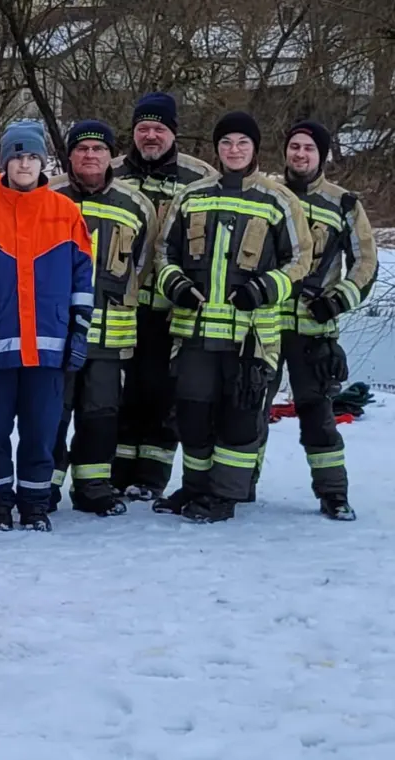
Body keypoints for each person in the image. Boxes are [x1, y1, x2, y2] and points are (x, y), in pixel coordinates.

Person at [152, 112, 312, 522]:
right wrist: (176, 285)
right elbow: (163, 253)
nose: (234, 150)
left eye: (242, 142)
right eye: (226, 143)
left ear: (255, 148)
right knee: (192, 414)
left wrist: (264, 288)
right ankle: (194, 486)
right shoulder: (192, 195)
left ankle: (226, 495)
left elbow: (300, 259)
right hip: (194, 332)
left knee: (238, 417)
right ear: (217, 148)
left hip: (250, 336)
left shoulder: (279, 199)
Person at [0, 120, 93, 532]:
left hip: (48, 349)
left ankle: (34, 506)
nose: (25, 163)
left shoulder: (66, 213)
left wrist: (79, 331)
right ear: (5, 162)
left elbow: (83, 281)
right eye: (17, 156)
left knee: (40, 434)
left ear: (43, 161)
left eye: (32, 155)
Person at [112, 92, 218, 502]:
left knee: (162, 391)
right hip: (124, 304)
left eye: (159, 128)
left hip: (175, 305)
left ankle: (152, 476)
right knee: (122, 390)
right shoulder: (114, 171)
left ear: (173, 132)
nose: (150, 136)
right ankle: (119, 471)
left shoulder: (200, 177)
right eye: (143, 128)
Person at [49, 121, 156, 516]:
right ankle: (44, 485)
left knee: (101, 414)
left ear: (111, 154)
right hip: (57, 333)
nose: (90, 155)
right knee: (53, 413)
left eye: (98, 148)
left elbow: (142, 265)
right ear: (70, 156)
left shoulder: (135, 204)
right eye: (82, 149)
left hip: (112, 336)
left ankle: (93, 486)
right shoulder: (50, 195)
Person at [270, 120, 375, 520]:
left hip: (315, 330)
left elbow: (365, 262)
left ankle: (333, 493)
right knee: (247, 409)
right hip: (264, 327)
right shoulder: (267, 193)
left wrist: (337, 301)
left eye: (308, 148)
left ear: (322, 155)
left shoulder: (344, 203)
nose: (300, 154)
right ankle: (239, 488)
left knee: (318, 417)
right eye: (294, 146)